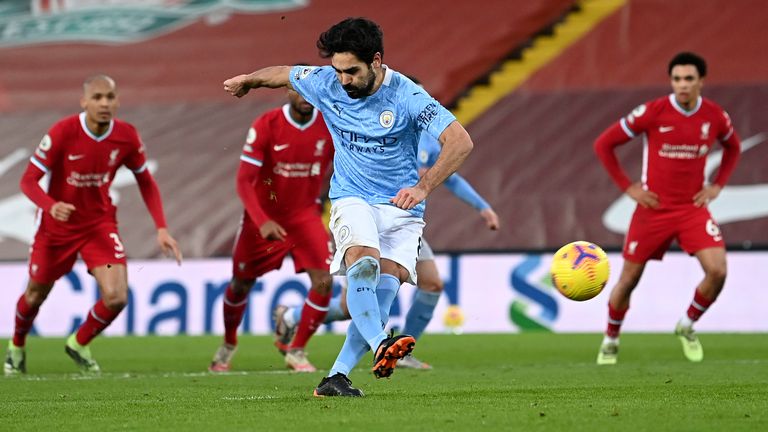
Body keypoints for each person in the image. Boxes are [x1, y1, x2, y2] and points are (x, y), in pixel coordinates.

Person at [223, 17, 474, 397]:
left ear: (376, 61)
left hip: (401, 207)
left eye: (351, 72)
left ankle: (335, 377)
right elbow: (284, 74)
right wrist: (248, 79)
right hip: (351, 196)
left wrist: (423, 187)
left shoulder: (407, 95)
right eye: (338, 70)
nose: (343, 80)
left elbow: (460, 141)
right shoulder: (326, 80)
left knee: (385, 291)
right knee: (364, 264)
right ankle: (381, 345)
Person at [273, 93, 501, 370]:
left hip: (404, 223)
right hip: (367, 219)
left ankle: (398, 352)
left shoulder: (427, 138)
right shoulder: (374, 127)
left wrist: (482, 207)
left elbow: (448, 175)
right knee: (350, 307)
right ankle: (292, 317)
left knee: (432, 284)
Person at [4, 75, 182, 375]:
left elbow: (146, 181)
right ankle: (17, 347)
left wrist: (161, 227)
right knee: (36, 294)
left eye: (110, 97)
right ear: (84, 101)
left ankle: (78, 343)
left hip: (98, 226)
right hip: (55, 228)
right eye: (97, 97)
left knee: (116, 297)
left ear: (118, 101)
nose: (104, 104)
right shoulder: (63, 132)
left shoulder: (126, 136)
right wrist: (50, 205)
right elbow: (27, 180)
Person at [593, 52, 741, 365]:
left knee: (718, 271)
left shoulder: (715, 116)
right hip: (653, 209)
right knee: (628, 281)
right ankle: (610, 339)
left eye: (688, 79)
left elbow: (733, 147)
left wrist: (718, 185)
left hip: (691, 209)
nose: (682, 86)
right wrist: (628, 187)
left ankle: (687, 325)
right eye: (676, 79)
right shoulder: (653, 111)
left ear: (701, 81)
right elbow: (603, 144)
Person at [208, 86, 334, 373]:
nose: (305, 96)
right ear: (287, 91)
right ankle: (228, 343)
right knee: (241, 283)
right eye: (298, 90)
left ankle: (297, 350)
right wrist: (261, 220)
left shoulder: (328, 125)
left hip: (304, 216)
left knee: (325, 281)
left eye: (310, 90)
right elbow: (244, 180)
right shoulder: (267, 124)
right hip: (263, 217)